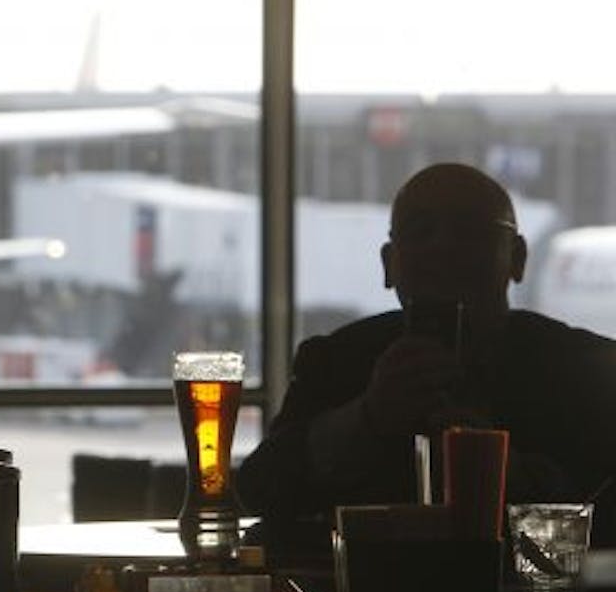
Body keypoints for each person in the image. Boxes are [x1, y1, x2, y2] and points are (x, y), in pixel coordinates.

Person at [238, 162, 616, 552]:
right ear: (389, 264)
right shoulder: (337, 359)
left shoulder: (590, 370)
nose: (443, 248)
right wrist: (366, 419)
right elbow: (258, 489)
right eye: (421, 231)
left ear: (517, 258)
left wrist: (501, 467)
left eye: (468, 231)